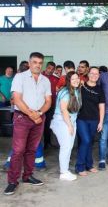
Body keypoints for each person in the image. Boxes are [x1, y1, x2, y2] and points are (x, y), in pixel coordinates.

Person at [4, 52, 51, 196]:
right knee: (18, 150)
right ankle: (12, 181)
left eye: (39, 63)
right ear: (29, 63)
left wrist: (40, 114)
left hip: (39, 118)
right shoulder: (20, 77)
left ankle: (27, 176)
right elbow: (17, 99)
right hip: (22, 118)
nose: (37, 65)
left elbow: (48, 101)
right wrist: (32, 115)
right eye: (34, 62)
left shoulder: (45, 80)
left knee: (32, 149)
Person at [51, 71, 81, 181]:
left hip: (71, 121)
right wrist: (70, 126)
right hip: (63, 122)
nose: (76, 80)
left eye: (77, 78)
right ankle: (63, 172)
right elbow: (63, 110)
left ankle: (65, 169)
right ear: (68, 81)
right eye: (73, 79)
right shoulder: (65, 92)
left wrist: (72, 124)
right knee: (66, 147)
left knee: (69, 146)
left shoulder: (76, 90)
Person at [75, 67, 105, 176]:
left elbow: (102, 107)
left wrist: (101, 122)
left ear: (98, 76)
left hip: (94, 119)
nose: (94, 75)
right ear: (88, 74)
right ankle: (79, 166)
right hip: (81, 119)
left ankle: (89, 165)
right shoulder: (81, 86)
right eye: (92, 73)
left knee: (90, 142)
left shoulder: (99, 89)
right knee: (86, 140)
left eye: (96, 74)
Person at [42, 62, 59, 149]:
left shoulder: (56, 79)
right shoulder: (40, 76)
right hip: (40, 106)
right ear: (46, 67)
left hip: (52, 106)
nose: (50, 70)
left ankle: (47, 142)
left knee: (48, 124)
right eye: (49, 68)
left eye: (52, 69)